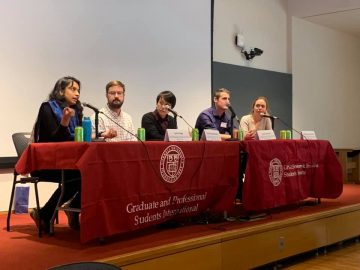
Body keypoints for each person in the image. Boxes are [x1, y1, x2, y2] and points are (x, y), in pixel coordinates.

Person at [30, 76, 82, 232]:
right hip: (46, 162)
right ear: (60, 90)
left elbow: (77, 138)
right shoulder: (47, 108)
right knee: (76, 177)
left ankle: (71, 208)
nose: (77, 94)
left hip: (68, 161)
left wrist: (97, 135)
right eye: (72, 89)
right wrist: (64, 121)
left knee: (90, 172)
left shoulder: (77, 109)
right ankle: (45, 214)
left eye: (78, 90)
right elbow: (52, 140)